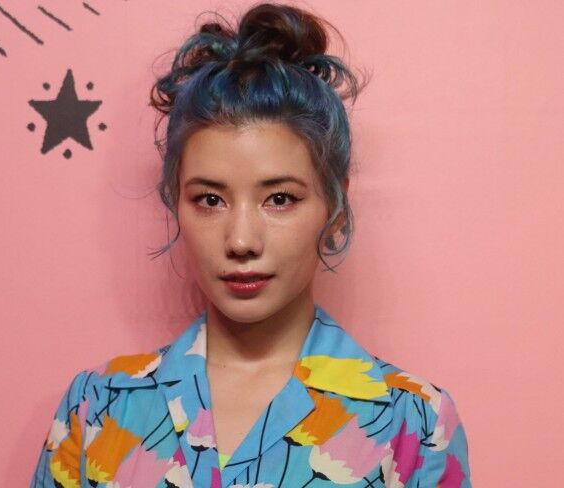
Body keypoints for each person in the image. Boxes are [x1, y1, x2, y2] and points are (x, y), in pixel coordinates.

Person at [30, 2, 471, 487]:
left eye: (279, 199)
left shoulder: (414, 424)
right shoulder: (99, 408)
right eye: (210, 199)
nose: (241, 240)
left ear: (335, 205)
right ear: (175, 200)